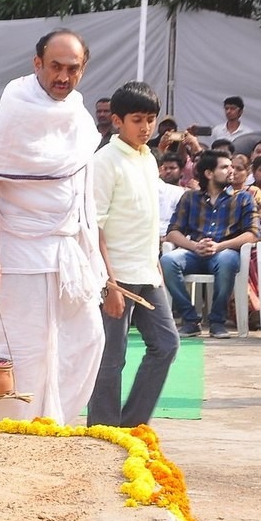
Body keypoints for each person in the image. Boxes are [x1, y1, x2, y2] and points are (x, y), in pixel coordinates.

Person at [0, 29, 104, 424]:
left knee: (86, 339)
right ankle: (17, 429)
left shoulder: (78, 115)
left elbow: (82, 192)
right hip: (19, 249)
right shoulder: (16, 106)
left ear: (82, 70)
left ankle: (54, 420)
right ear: (37, 64)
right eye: (55, 67)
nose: (62, 77)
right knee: (27, 349)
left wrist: (91, 252)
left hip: (68, 248)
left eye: (72, 69)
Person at [88, 81, 180, 428]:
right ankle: (102, 430)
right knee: (111, 358)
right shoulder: (104, 161)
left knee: (167, 344)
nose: (145, 128)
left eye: (151, 120)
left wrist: (155, 265)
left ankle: (131, 424)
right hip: (117, 277)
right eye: (137, 119)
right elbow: (94, 227)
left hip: (148, 272)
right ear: (117, 121)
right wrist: (109, 283)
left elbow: (146, 218)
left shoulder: (148, 158)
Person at [161, 149, 259, 338]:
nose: (232, 170)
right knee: (167, 261)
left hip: (225, 251)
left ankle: (217, 321)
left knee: (226, 260)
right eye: (225, 167)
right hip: (194, 252)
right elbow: (173, 232)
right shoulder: (190, 198)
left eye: (232, 166)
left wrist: (219, 246)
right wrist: (195, 247)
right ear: (208, 173)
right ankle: (190, 319)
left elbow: (252, 234)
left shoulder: (243, 198)